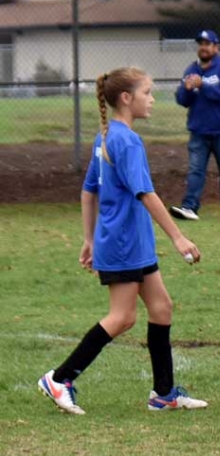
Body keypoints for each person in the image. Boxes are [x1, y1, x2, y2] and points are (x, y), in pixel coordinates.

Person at [39, 67, 207, 415]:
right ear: (126, 98)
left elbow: (89, 192)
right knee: (122, 317)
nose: (153, 99)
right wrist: (178, 237)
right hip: (123, 244)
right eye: (147, 92)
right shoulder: (126, 140)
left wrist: (88, 239)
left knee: (161, 308)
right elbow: (146, 193)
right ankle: (59, 378)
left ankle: (164, 394)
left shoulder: (107, 135)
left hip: (130, 242)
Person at [170, 30, 220, 221]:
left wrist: (203, 86)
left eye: (207, 44)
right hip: (199, 130)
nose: (203, 47)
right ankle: (190, 207)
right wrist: (186, 90)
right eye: (201, 43)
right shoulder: (191, 69)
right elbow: (182, 100)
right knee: (195, 170)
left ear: (215, 47)